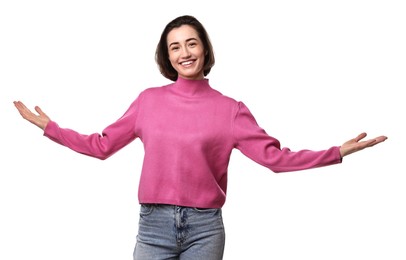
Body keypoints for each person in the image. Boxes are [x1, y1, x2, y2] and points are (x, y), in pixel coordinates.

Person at [13, 15, 387, 260]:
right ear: (167, 56)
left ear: (204, 48)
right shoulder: (148, 101)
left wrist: (336, 152)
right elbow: (102, 146)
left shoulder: (230, 109)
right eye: (175, 46)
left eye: (191, 43)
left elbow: (276, 159)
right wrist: (51, 128)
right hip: (153, 224)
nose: (184, 53)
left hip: (205, 230)